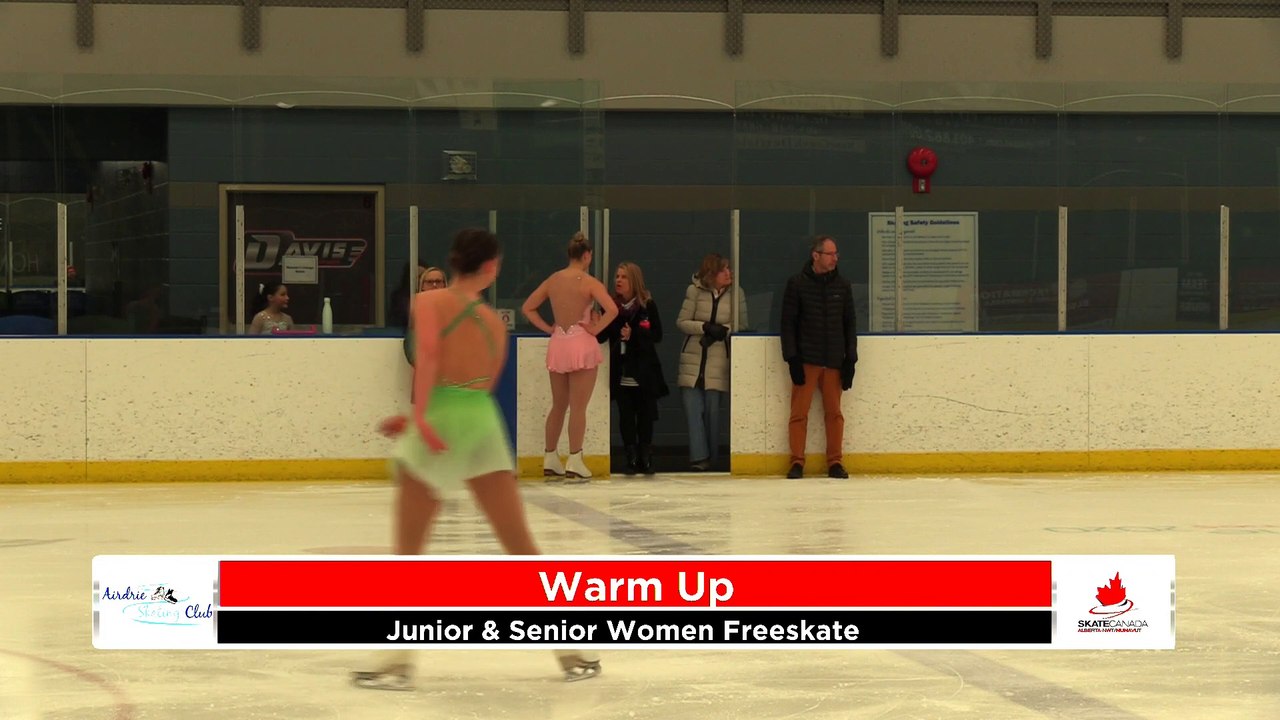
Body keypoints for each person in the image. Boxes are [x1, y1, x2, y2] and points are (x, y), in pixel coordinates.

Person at [352, 228, 601, 690]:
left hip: (439, 418)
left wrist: (420, 419)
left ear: (453, 263)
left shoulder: (427, 304)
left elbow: (427, 360)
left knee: (409, 555)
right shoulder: (493, 323)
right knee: (520, 547)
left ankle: (398, 662)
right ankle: (569, 649)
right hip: (481, 424)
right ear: (490, 268)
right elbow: (480, 388)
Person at [521, 232, 618, 481]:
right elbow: (613, 309)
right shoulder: (589, 282)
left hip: (559, 343)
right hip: (581, 342)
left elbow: (528, 307)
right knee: (578, 407)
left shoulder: (553, 280)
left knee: (559, 404)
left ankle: (550, 456)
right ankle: (575, 458)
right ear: (587, 256)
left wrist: (548, 328)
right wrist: (595, 329)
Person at [780, 235, 857, 479]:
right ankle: (797, 462)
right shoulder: (797, 284)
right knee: (798, 414)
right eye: (830, 254)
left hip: (834, 361)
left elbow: (849, 324)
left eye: (836, 254)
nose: (835, 258)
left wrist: (850, 360)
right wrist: (792, 359)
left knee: (834, 414)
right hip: (807, 360)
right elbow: (788, 324)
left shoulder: (843, 286)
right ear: (816, 255)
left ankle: (835, 462)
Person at [676, 253, 747, 471]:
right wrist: (704, 327)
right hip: (693, 359)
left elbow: (742, 325)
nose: (729, 273)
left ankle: (713, 458)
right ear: (712, 274)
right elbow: (682, 322)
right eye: (723, 269)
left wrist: (722, 332)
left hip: (718, 362)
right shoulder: (694, 291)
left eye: (729, 269)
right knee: (693, 410)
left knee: (713, 412)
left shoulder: (737, 294)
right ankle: (699, 458)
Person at [596, 262, 667, 475]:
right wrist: (596, 323)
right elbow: (603, 337)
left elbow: (657, 335)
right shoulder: (610, 308)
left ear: (633, 281)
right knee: (625, 415)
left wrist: (634, 335)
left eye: (623, 277)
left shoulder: (647, 305)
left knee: (645, 415)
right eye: (617, 276)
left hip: (644, 370)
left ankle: (645, 455)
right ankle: (631, 456)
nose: (618, 280)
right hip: (622, 370)